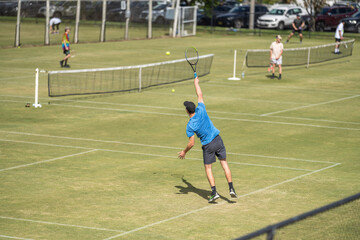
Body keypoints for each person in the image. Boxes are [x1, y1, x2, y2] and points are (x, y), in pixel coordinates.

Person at [178, 76, 237, 203]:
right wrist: (196, 83)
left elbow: (191, 143)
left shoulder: (190, 125)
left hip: (208, 145)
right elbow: (199, 94)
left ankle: (214, 192)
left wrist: (184, 152)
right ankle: (231, 188)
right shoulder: (201, 108)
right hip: (218, 139)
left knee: (208, 168)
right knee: (224, 164)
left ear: (187, 111)